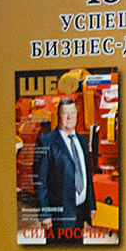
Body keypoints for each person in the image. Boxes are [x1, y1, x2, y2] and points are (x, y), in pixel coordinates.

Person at [33, 97, 92, 241]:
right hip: (58, 216)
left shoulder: (82, 141)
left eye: (73, 112)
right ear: (58, 115)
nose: (69, 117)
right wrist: (44, 213)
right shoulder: (45, 142)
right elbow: (40, 181)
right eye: (65, 113)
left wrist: (91, 205)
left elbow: (87, 174)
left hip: (80, 212)